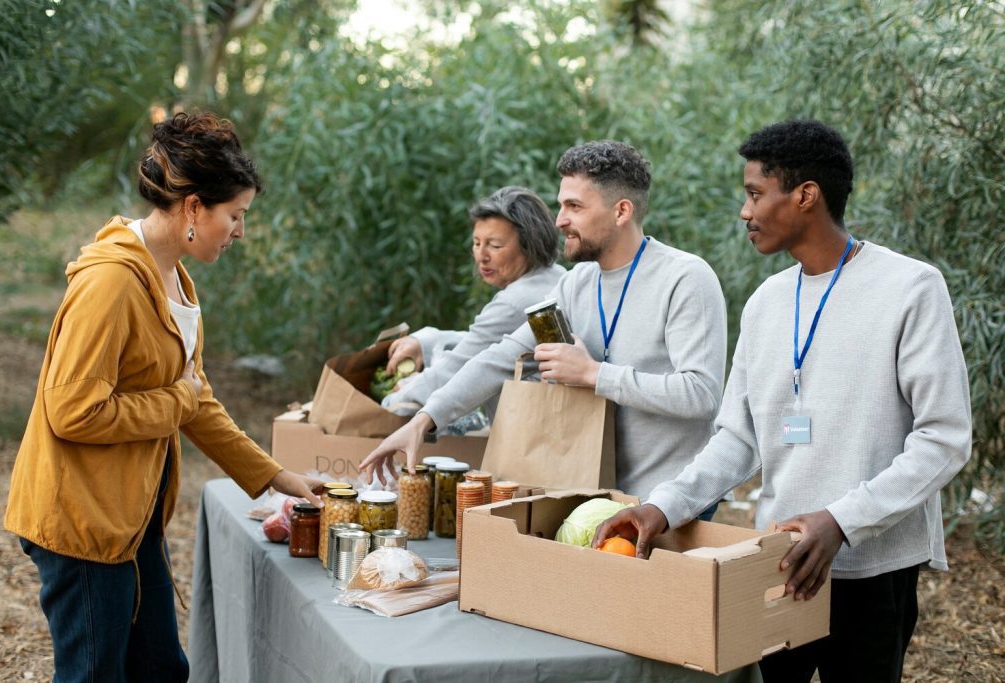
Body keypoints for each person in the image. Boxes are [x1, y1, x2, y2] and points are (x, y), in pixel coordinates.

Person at [593, 120, 972, 682]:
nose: (744, 212)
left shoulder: (910, 288)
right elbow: (737, 440)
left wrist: (839, 522)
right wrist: (664, 506)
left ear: (805, 195)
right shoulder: (766, 302)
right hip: (776, 564)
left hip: (873, 573)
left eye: (754, 193)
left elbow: (945, 438)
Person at [4, 112, 323, 682]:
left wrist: (279, 478)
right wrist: (175, 402)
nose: (241, 232)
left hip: (130, 517)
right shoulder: (112, 283)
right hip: (83, 521)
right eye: (236, 215)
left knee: (160, 669)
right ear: (195, 208)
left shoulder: (174, 278)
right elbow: (73, 410)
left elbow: (196, 400)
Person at [361, 140, 728, 506]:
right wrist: (423, 420)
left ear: (621, 211)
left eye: (574, 206)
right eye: (560, 205)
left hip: (673, 503)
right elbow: (500, 358)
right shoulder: (575, 284)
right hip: (595, 495)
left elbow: (701, 395)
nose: (559, 220)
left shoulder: (685, 278)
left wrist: (593, 374)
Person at [380, 186, 565, 421]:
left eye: (495, 245)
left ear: (531, 245)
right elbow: (489, 346)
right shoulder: (555, 277)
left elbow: (460, 368)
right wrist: (427, 342)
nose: (481, 255)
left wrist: (391, 402)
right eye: (477, 243)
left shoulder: (517, 302)